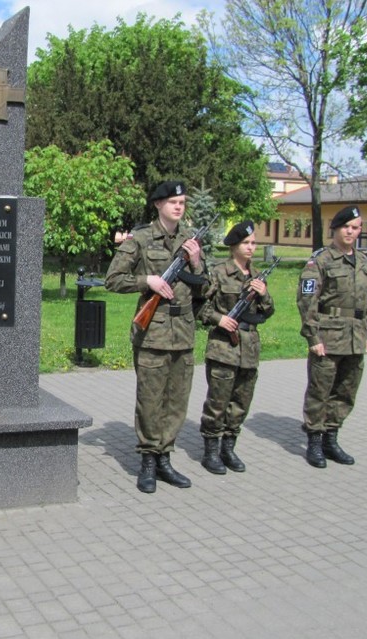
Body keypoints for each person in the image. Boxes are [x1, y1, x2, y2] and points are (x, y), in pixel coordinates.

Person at [105, 180, 207, 493]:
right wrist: (146, 280)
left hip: (184, 335)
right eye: (173, 202)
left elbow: (205, 286)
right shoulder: (140, 238)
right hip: (152, 335)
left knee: (176, 402)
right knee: (150, 402)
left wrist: (197, 261)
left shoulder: (190, 240)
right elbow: (113, 280)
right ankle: (148, 460)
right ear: (158, 204)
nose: (179, 207)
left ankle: (165, 457)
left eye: (183, 202)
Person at [296, 205, 367, 468]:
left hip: (355, 338)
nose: (351, 232)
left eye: (356, 227)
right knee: (320, 391)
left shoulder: (363, 261)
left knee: (346, 391)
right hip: (327, 338)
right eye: (346, 227)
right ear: (336, 228)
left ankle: (332, 437)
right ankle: (315, 442)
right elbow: (307, 302)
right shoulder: (320, 260)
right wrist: (312, 337)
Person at [198, 221, 275, 474]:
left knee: (241, 401)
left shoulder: (257, 276)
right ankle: (211, 451)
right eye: (246, 243)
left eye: (253, 243)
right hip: (223, 348)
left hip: (249, 347)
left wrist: (263, 294)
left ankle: (228, 448)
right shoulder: (219, 273)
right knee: (218, 401)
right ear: (234, 246)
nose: (251, 247)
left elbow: (268, 311)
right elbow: (200, 306)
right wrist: (219, 319)